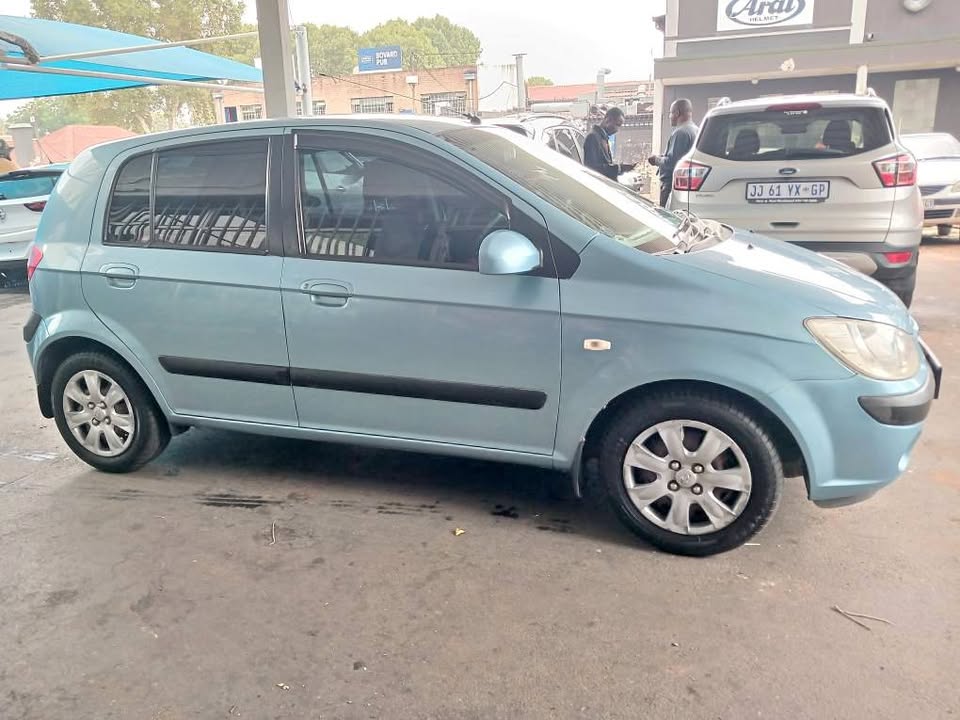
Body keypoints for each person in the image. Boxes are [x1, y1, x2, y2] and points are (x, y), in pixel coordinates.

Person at [649, 98, 698, 207]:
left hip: (671, 186)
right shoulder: (695, 130)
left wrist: (656, 160)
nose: (669, 116)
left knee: (667, 218)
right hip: (686, 186)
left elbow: (672, 162)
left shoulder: (681, 132)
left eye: (670, 113)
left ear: (677, 113)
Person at [583, 107, 635, 181]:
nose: (617, 130)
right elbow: (592, 168)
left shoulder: (603, 138)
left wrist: (619, 168)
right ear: (608, 119)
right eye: (617, 125)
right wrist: (618, 168)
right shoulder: (593, 137)